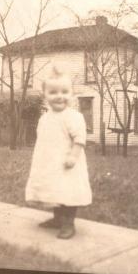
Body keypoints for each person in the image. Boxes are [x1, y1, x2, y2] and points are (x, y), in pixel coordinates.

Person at [25, 65, 92, 239]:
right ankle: (57, 219)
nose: (59, 96)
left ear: (71, 94)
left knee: (68, 191)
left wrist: (73, 156)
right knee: (55, 190)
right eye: (53, 92)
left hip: (68, 163)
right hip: (51, 163)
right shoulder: (45, 117)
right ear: (45, 95)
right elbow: (43, 139)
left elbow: (80, 139)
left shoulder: (73, 116)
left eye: (64, 91)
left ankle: (69, 223)